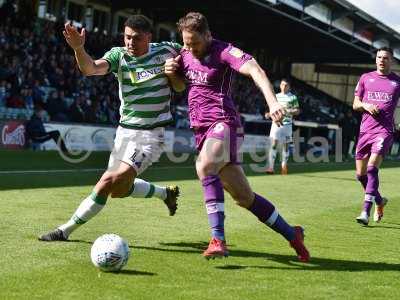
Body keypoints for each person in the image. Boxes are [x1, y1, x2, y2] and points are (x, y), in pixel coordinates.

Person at [165, 12, 309, 262]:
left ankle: (218, 239)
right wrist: (171, 73)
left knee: (205, 165)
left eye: (194, 43)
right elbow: (179, 87)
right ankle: (292, 233)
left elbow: (255, 69)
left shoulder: (223, 51)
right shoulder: (184, 54)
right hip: (201, 130)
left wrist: (273, 101)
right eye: (186, 43)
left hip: (224, 123)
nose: (189, 48)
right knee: (244, 198)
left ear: (207, 35)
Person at [39, 15, 182, 241]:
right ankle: (166, 193)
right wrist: (78, 48)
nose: (130, 43)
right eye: (126, 37)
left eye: (136, 38)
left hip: (150, 135)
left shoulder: (168, 50)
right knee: (117, 190)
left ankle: (64, 231)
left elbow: (194, 56)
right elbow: (90, 69)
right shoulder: (119, 55)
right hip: (124, 133)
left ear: (149, 37)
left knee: (107, 181)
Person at [353, 47, 400, 226]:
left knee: (372, 169)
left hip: (384, 131)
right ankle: (380, 201)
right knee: (360, 175)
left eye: (386, 58)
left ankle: (365, 210)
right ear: (376, 59)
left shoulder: (397, 82)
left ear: (391, 61)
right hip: (365, 131)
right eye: (379, 57)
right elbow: (355, 104)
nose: (382, 60)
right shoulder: (366, 78)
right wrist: (366, 105)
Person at [265, 78, 300, 175]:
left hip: (287, 126)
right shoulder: (275, 97)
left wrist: (289, 111)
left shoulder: (292, 98)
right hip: (276, 125)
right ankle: (270, 168)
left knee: (286, 146)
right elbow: (270, 110)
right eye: (282, 85)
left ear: (289, 87)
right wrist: (268, 114)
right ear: (280, 85)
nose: (284, 87)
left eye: (286, 85)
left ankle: (284, 166)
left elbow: (297, 111)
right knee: (273, 145)